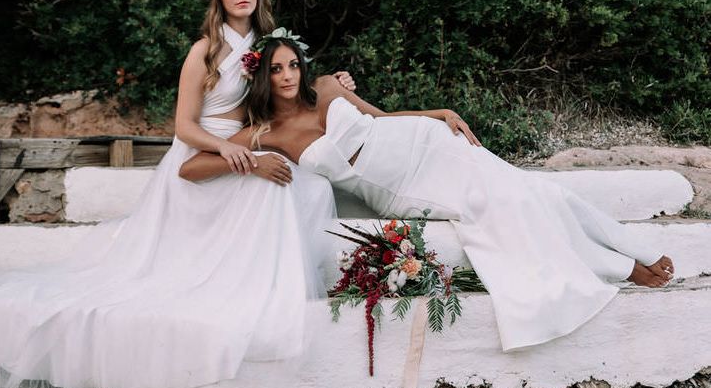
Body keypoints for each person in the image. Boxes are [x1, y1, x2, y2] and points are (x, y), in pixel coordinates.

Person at [0, 0, 355, 388]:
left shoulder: (266, 45)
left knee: (306, 185)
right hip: (205, 154)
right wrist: (228, 149)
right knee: (265, 186)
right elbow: (183, 126)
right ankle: (238, 292)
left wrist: (334, 84)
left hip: (246, 145)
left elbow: (286, 86)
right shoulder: (205, 50)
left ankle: (264, 283)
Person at [180, 36, 675, 353]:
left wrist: (435, 114)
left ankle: (635, 253)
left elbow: (378, 118)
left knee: (534, 190)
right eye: (277, 70)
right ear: (261, 76)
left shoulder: (327, 87)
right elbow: (190, 167)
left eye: (293, 65)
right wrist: (252, 161)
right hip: (402, 191)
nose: (288, 76)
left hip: (426, 146)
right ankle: (621, 267)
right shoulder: (269, 131)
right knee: (507, 206)